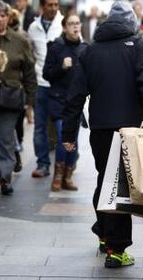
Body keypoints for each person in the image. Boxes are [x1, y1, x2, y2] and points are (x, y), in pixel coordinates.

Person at [62, 1, 143, 268]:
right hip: (129, 128)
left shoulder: (90, 51)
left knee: (106, 180)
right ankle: (117, 249)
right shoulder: (139, 46)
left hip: (100, 128)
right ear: (131, 21)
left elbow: (75, 95)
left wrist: (69, 133)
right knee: (120, 188)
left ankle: (104, 232)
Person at [0, 0, 36, 195]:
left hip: (10, 98)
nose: (1, 19)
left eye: (4, 15)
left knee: (4, 137)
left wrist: (30, 101)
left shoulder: (19, 40)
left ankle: (5, 177)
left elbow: (29, 71)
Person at [43, 14, 87, 191]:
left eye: (77, 23)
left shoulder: (85, 49)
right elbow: (47, 74)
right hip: (58, 100)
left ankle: (68, 176)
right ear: (64, 27)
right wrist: (61, 67)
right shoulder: (56, 47)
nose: (75, 27)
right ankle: (58, 175)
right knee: (63, 138)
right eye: (71, 24)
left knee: (73, 142)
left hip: (75, 103)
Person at [28, 0, 63, 178]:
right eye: (50, 4)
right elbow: (30, 54)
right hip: (41, 83)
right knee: (40, 126)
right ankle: (42, 163)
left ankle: (65, 164)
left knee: (62, 128)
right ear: (42, 6)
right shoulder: (33, 27)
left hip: (60, 85)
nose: (54, 8)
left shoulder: (64, 25)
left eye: (56, 4)